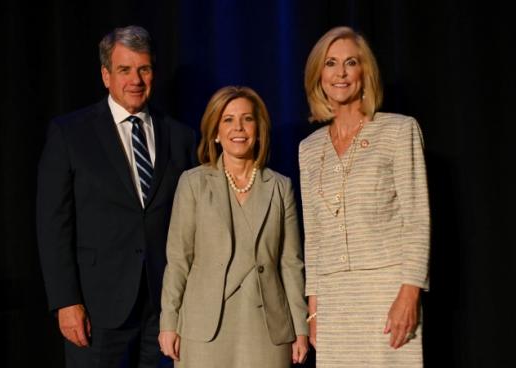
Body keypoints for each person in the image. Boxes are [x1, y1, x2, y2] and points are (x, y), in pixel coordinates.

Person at [36, 25, 197, 367]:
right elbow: (53, 225)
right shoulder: (71, 134)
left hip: (164, 310)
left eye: (144, 69)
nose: (135, 80)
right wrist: (66, 301)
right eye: (125, 70)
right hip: (96, 309)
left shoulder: (181, 137)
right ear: (106, 75)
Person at [299, 26, 430, 367]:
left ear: (364, 72)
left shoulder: (399, 131)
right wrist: (314, 310)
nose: (340, 73)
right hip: (335, 302)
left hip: (386, 293)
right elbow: (313, 235)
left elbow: (417, 218)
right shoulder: (309, 149)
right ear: (319, 74)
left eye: (350, 62)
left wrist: (410, 291)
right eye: (330, 63)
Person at [158, 86, 309, 367]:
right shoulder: (193, 183)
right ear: (215, 132)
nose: (238, 128)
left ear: (259, 130)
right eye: (228, 119)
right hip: (204, 328)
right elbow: (178, 259)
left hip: (267, 327)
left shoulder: (280, 186)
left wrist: (301, 327)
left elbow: (291, 264)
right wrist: (168, 321)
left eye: (247, 119)